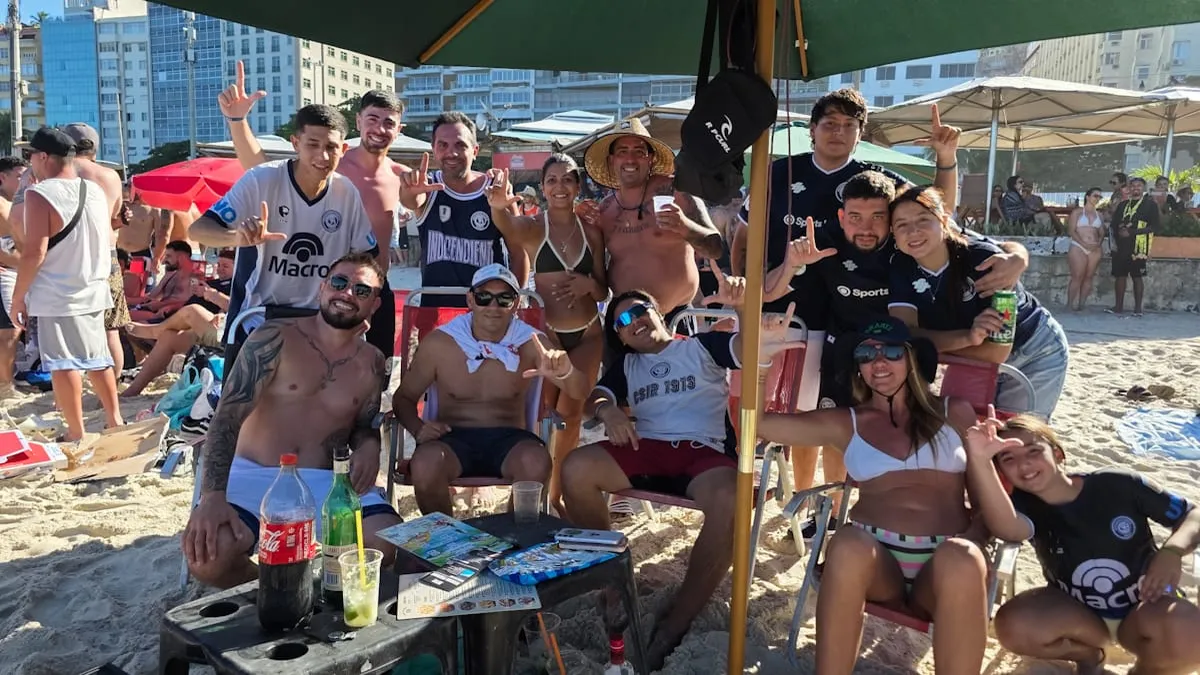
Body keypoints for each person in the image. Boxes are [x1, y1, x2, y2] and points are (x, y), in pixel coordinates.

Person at [739, 92, 985, 536]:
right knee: (817, 418)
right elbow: (747, 242)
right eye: (829, 123)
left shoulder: (884, 194)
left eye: (849, 125)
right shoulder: (786, 182)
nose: (838, 132)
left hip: (889, 341)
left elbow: (935, 213)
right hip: (812, 324)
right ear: (811, 129)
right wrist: (761, 279)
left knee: (879, 424)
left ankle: (842, 510)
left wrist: (946, 160)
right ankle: (815, 508)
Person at [560, 274, 798, 669]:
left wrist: (744, 312)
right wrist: (608, 410)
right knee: (576, 468)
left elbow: (745, 348)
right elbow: (595, 398)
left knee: (731, 498)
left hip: (704, 451)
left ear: (658, 312)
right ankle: (611, 579)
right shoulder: (628, 365)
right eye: (622, 322)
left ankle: (677, 620)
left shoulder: (700, 346)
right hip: (648, 448)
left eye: (639, 311)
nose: (634, 322)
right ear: (620, 337)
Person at [756, 317, 989, 675]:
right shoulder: (846, 422)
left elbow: (984, 496)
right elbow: (758, 425)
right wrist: (761, 360)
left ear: (912, 359)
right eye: (866, 355)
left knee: (963, 558)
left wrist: (974, 539)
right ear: (858, 368)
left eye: (891, 352)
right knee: (846, 543)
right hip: (877, 562)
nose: (878, 362)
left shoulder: (953, 412)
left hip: (946, 561)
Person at [182, 252, 399, 589]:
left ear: (375, 304)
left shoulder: (372, 362)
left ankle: (301, 593)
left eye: (362, 290)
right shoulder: (274, 338)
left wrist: (370, 445)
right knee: (209, 560)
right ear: (322, 287)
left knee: (393, 546)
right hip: (256, 474)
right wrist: (211, 497)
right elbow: (227, 418)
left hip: (329, 482)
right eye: (339, 282)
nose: (347, 294)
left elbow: (362, 424)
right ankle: (288, 590)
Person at [965, 413, 1200, 675]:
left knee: (1191, 635)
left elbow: (1192, 515)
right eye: (1008, 459)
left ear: (1057, 454)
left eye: (1033, 450)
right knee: (1014, 626)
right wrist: (980, 458)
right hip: (1078, 614)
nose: (1024, 463)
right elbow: (1006, 527)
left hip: (1145, 605)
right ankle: (1089, 655)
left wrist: (1172, 550)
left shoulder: (1117, 484)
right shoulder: (1022, 506)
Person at [221, 66, 407, 357]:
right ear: (358, 121)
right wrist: (237, 121)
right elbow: (259, 166)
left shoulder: (403, 176)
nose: (380, 129)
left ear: (399, 129)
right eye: (373, 119)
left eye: (389, 123)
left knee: (373, 371)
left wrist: (416, 199)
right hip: (326, 294)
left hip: (372, 289)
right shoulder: (330, 164)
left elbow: (425, 208)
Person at [189, 103, 378, 370]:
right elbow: (198, 229)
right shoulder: (261, 180)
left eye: (331, 147)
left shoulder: (346, 192)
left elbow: (366, 260)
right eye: (313, 144)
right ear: (295, 143)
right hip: (259, 319)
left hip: (323, 322)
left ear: (343, 149)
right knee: (252, 396)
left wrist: (362, 307)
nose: (323, 155)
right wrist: (237, 238)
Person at [391, 263, 590, 516]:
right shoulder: (441, 343)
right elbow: (404, 397)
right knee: (425, 465)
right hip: (451, 438)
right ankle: (445, 535)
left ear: (515, 304)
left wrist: (565, 372)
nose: (493, 307)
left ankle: (514, 531)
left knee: (536, 462)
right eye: (484, 297)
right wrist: (418, 428)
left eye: (504, 299)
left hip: (510, 440)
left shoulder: (531, 342)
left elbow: (580, 391)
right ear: (470, 300)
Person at [486, 156, 607, 515]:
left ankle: (555, 497)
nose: (560, 187)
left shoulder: (592, 232)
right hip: (548, 335)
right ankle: (525, 497)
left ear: (578, 186)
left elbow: (603, 290)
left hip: (588, 333)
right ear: (542, 187)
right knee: (540, 418)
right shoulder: (535, 228)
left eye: (567, 179)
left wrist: (589, 285)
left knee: (571, 415)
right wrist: (497, 206)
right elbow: (507, 225)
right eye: (552, 180)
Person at [888, 186, 1068, 420]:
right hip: (969, 353)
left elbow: (996, 350)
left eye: (923, 219)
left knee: (1016, 431)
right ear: (893, 232)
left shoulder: (984, 260)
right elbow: (907, 335)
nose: (913, 231)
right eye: (901, 224)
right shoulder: (900, 267)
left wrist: (935, 344)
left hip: (1035, 348)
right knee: (961, 426)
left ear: (944, 220)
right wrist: (967, 337)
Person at [11, 127, 124, 441]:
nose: (29, 161)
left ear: (44, 157)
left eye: (31, 155)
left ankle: (76, 431)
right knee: (98, 358)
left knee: (63, 363)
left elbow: (34, 251)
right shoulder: (93, 190)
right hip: (94, 286)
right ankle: (114, 419)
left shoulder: (40, 194)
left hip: (57, 291)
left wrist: (18, 297)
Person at [576, 117, 723, 337]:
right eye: (623, 151)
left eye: (639, 152)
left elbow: (716, 248)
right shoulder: (605, 210)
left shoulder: (676, 192)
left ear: (651, 159)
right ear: (612, 160)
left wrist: (684, 226)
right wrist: (576, 222)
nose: (630, 159)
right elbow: (589, 264)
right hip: (626, 320)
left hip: (675, 320)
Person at [400, 112, 529, 307]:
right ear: (434, 150)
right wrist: (408, 191)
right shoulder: (426, 187)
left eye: (460, 145)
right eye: (443, 145)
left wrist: (515, 300)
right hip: (436, 311)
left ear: (475, 150)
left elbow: (519, 252)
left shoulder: (496, 190)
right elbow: (411, 200)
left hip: (488, 310)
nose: (451, 153)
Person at [62, 122, 131, 378]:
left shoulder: (62, 172)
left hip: (72, 255)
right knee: (110, 328)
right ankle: (112, 385)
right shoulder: (111, 176)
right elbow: (114, 219)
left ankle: (72, 385)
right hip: (107, 254)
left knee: (71, 325)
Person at [121, 249, 235, 397]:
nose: (220, 269)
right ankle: (133, 390)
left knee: (192, 310)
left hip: (233, 337)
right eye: (218, 265)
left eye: (225, 266)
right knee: (168, 337)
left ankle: (156, 330)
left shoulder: (241, 283)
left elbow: (243, 307)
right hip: (212, 328)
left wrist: (211, 295)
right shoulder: (184, 277)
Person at [1107, 176, 1157, 317]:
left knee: (1137, 276)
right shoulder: (1123, 205)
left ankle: (1138, 309)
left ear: (1143, 188)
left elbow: (1155, 227)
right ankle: (1118, 307)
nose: (1136, 188)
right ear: (1129, 188)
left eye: (1139, 185)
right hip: (1121, 246)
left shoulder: (1150, 205)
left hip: (1138, 246)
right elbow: (1114, 223)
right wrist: (1120, 229)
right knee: (1120, 276)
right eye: (1133, 185)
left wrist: (1132, 232)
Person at [0, 156, 28, 398]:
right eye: (19, 176)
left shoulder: (15, 203)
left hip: (18, 271)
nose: (24, 180)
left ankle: (8, 380)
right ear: (3, 177)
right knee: (10, 331)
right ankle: (5, 386)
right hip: (6, 273)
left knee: (13, 330)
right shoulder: (2, 204)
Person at [126, 240, 196, 322]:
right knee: (120, 315)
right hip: (156, 311)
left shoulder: (194, 277)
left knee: (124, 318)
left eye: (169, 256)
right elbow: (153, 295)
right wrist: (129, 300)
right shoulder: (171, 273)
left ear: (182, 257)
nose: (164, 260)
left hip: (171, 315)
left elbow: (192, 303)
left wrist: (164, 306)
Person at [1065, 188, 1106, 312]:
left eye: (1099, 197)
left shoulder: (1099, 215)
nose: (1097, 199)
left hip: (1094, 247)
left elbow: (1102, 232)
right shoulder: (1077, 212)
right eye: (1095, 196)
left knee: (1089, 276)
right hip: (1078, 245)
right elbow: (1071, 231)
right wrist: (1083, 243)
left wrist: (1098, 243)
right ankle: (1070, 304)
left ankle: (1081, 305)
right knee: (1077, 276)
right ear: (1087, 197)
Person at [117, 187, 160, 260]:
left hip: (140, 254)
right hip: (120, 253)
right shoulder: (122, 205)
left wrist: (157, 258)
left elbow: (159, 236)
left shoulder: (153, 210)